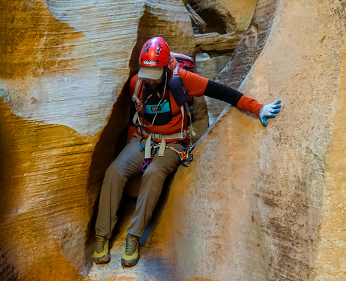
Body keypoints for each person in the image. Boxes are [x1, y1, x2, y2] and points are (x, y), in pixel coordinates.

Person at [93, 35, 281, 268]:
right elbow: (137, 115)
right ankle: (102, 236)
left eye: (154, 75)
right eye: (146, 74)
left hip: (172, 144)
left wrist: (258, 107)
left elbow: (222, 92)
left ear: (166, 68)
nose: (149, 81)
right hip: (142, 141)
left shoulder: (182, 80)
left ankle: (133, 237)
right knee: (114, 172)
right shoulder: (137, 83)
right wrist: (129, 149)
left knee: (152, 174)